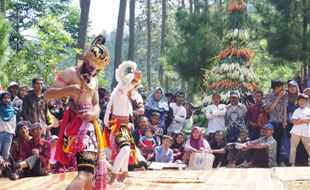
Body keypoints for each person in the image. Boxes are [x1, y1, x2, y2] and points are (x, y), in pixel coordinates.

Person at [44, 35, 110, 190]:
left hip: (91, 127)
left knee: (89, 175)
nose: (92, 70)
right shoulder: (70, 73)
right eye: (91, 65)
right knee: (86, 174)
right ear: (86, 58)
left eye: (96, 68)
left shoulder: (94, 78)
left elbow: (96, 103)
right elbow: (47, 94)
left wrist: (94, 113)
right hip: (77, 127)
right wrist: (69, 89)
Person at [104, 61, 144, 185]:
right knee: (126, 149)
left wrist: (141, 107)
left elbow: (138, 98)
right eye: (135, 86)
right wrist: (135, 80)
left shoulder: (128, 95)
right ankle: (114, 175)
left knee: (127, 152)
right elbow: (127, 89)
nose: (135, 89)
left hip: (124, 127)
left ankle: (124, 174)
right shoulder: (121, 92)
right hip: (117, 127)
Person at [265, 78, 288, 164]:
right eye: (281, 86)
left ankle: (278, 160)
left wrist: (284, 121)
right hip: (271, 122)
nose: (283, 88)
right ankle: (270, 160)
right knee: (271, 142)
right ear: (277, 87)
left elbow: (284, 108)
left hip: (280, 122)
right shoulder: (268, 96)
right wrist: (278, 97)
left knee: (279, 141)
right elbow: (270, 109)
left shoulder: (285, 95)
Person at [289, 93, 310, 166]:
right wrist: (305, 120)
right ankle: (292, 164)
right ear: (298, 102)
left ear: (306, 101)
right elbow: (294, 122)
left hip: (306, 133)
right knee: (293, 149)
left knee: (309, 148)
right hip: (295, 132)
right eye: (300, 100)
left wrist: (300, 120)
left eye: (304, 100)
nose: (302, 102)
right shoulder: (296, 110)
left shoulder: (309, 110)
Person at [0, 91, 17, 162]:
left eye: (8, 98)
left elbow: (13, 123)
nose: (6, 100)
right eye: (4, 98)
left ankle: (4, 170)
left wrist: (12, 132)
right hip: (0, 133)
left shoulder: (12, 111)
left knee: (6, 154)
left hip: (9, 134)